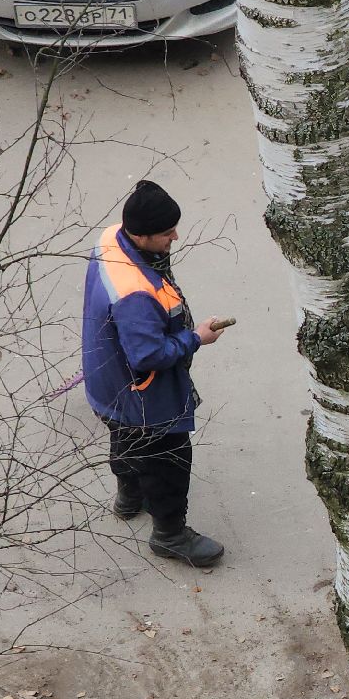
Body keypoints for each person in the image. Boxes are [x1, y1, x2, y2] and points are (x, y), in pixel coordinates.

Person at [81, 180, 230, 568]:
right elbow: (148, 354)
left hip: (108, 380)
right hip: (144, 396)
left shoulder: (112, 238)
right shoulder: (136, 294)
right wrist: (196, 338)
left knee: (124, 437)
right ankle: (170, 535)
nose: (174, 237)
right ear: (142, 235)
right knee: (169, 460)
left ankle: (129, 497)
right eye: (167, 233)